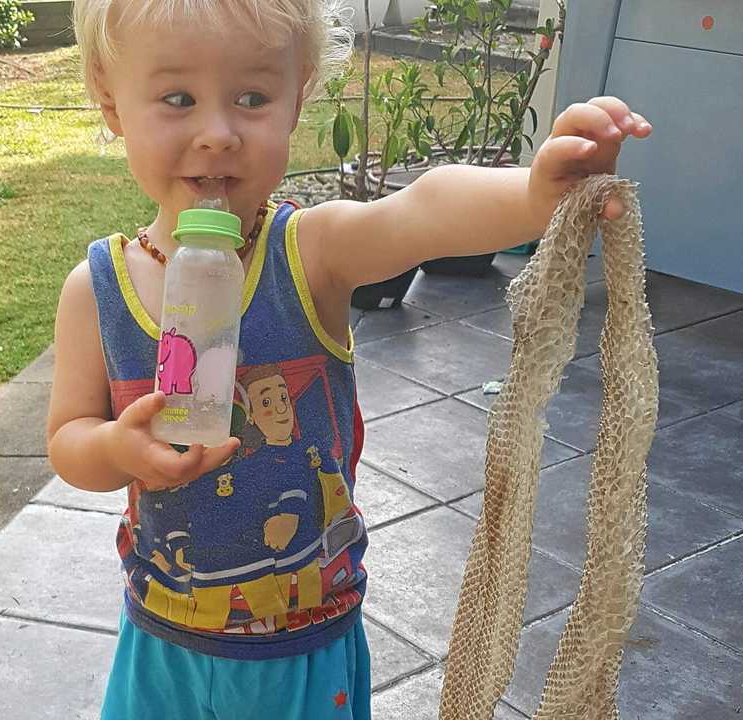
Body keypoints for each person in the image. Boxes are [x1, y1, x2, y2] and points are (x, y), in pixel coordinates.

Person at [46, 1, 652, 717]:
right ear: (111, 100)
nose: (218, 134)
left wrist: (532, 194)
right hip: (162, 642)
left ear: (298, 97)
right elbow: (68, 442)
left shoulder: (310, 255)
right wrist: (117, 447)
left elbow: (420, 211)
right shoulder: (99, 291)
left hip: (303, 646)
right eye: (178, 99)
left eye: (252, 98)